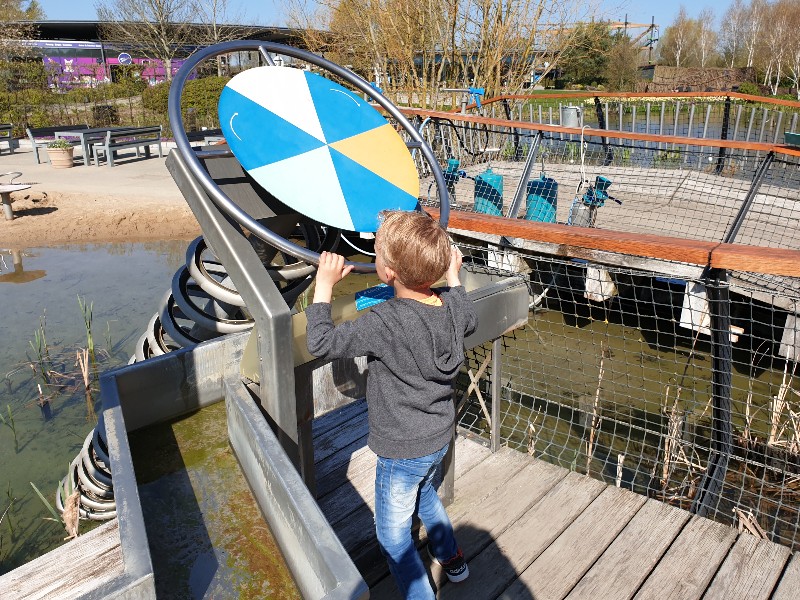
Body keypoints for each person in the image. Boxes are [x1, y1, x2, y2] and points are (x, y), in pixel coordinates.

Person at [305, 210, 478, 599]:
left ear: (387, 274)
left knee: (392, 536)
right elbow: (468, 318)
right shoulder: (451, 306)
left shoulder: (383, 322)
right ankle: (453, 560)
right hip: (437, 435)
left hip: (401, 449)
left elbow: (321, 343)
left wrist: (324, 285)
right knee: (425, 496)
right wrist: (454, 276)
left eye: (377, 254)